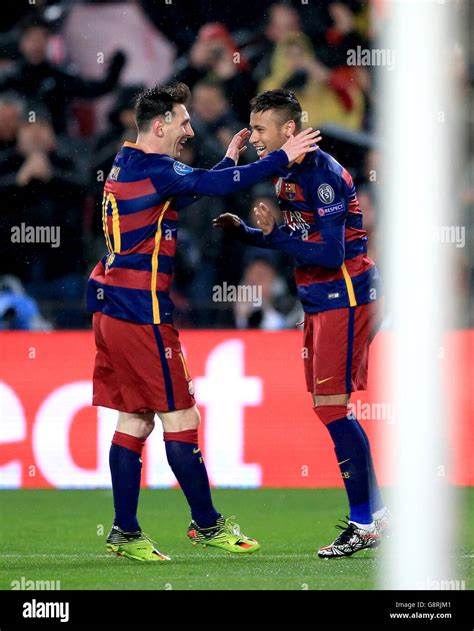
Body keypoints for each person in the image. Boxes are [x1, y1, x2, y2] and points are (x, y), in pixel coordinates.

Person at [86, 82, 320, 561]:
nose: (189, 129)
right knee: (182, 417)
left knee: (133, 419)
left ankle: (125, 533)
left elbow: (192, 190)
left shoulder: (129, 164)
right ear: (160, 125)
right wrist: (283, 156)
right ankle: (207, 523)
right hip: (141, 314)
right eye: (182, 120)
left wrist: (228, 162)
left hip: (114, 311)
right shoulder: (152, 167)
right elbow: (211, 188)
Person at [213, 89, 390, 559]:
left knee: (332, 408)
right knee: (329, 407)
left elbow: (332, 253)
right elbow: (295, 237)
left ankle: (364, 521)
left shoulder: (322, 175)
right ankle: (374, 512)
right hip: (319, 300)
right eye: (250, 128)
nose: (253, 138)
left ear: (289, 130)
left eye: (261, 129)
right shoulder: (283, 173)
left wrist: (273, 238)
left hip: (345, 295)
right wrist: (252, 236)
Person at [0, 16, 126, 134]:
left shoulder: (59, 77)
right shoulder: (9, 78)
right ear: (21, 43)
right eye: (31, 38)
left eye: (41, 38)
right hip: (15, 147)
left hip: (57, 144)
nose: (36, 44)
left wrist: (116, 68)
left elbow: (97, 89)